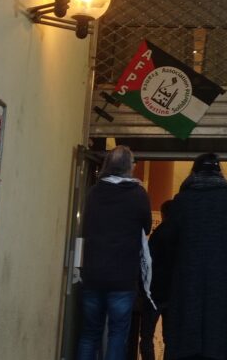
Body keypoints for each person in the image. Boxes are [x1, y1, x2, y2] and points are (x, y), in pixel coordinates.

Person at [162, 153, 227, 360]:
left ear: (193, 172)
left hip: (186, 281)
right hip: (222, 282)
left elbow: (169, 243)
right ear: (220, 172)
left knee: (187, 341)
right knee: (217, 340)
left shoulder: (182, 201)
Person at [76, 146, 152, 360]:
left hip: (93, 274)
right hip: (122, 277)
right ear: (129, 167)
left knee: (89, 333)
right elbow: (147, 227)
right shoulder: (138, 194)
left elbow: (85, 225)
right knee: (118, 334)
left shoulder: (93, 192)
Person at [135, 199, 174, 360]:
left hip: (154, 293)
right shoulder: (181, 235)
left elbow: (147, 263)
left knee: (146, 335)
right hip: (173, 293)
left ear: (163, 214)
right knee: (170, 337)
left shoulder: (158, 234)